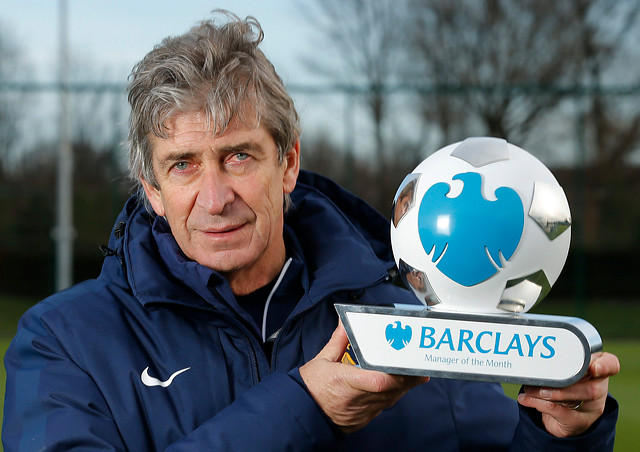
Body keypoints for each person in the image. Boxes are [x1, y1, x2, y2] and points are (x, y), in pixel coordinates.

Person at [3, 10, 619, 451]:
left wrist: (562, 434)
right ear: (151, 189)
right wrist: (305, 409)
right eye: (183, 165)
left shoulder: (410, 323)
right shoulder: (65, 342)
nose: (215, 198)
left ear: (289, 162)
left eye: (239, 156)